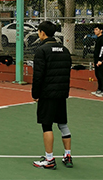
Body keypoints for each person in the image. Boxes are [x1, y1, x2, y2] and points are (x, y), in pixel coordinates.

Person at [31, 21, 73, 169]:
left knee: (47, 125)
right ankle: (68, 156)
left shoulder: (42, 51)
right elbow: (67, 72)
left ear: (42, 32)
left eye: (38, 31)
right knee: (63, 124)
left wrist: (35, 94)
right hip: (61, 93)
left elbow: (38, 75)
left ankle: (49, 159)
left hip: (47, 94)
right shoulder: (65, 50)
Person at [92, 24, 103, 97]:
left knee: (101, 75)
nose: (95, 31)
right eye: (94, 29)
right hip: (96, 59)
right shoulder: (98, 38)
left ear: (101, 31)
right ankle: (99, 89)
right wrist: (95, 60)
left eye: (96, 29)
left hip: (101, 60)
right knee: (97, 74)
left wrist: (100, 60)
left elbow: (102, 49)